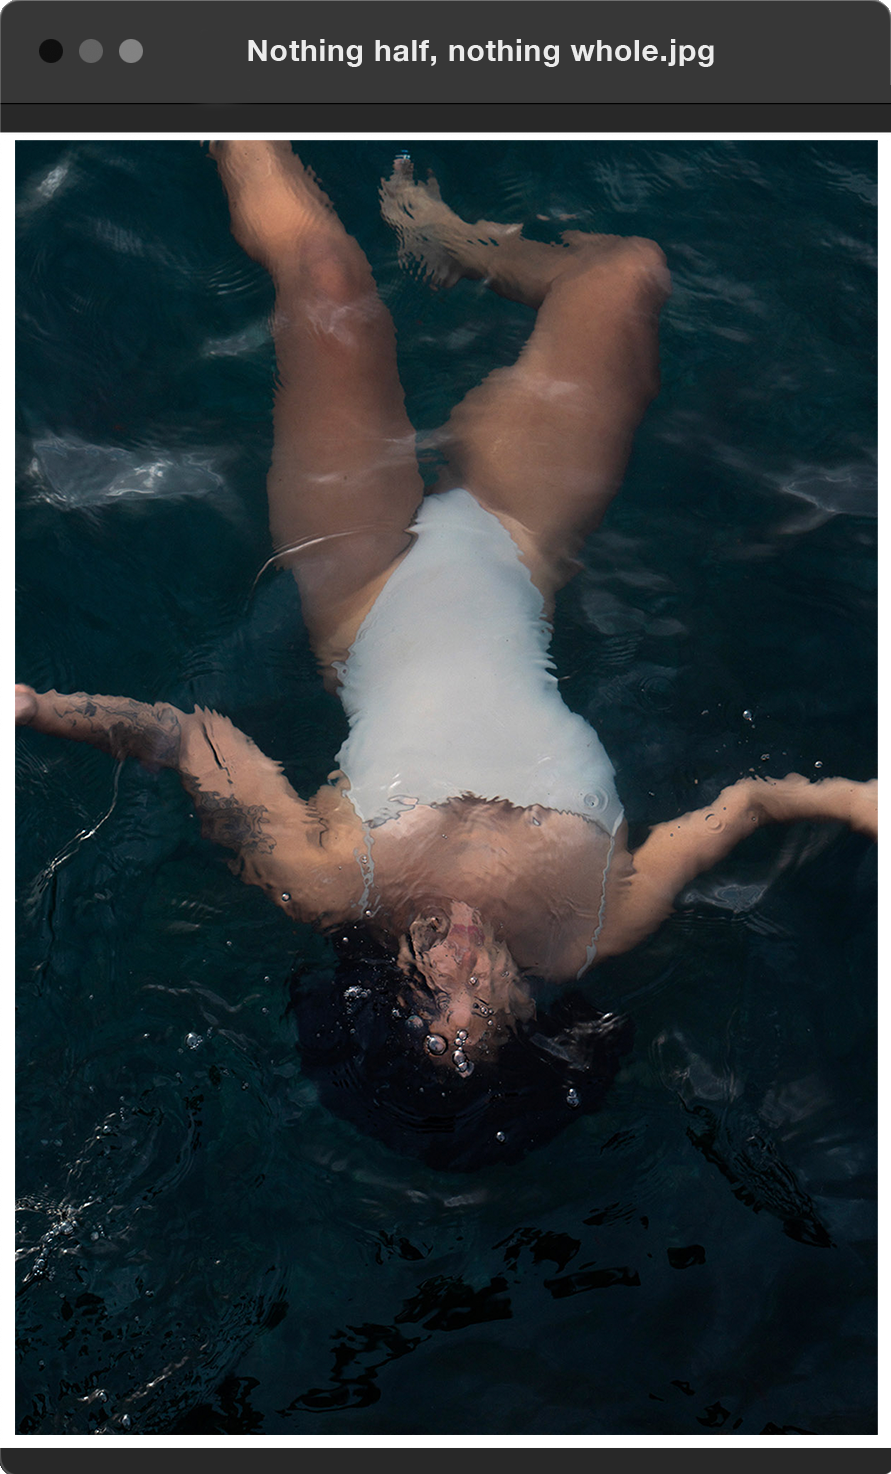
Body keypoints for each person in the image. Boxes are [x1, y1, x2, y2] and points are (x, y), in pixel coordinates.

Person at [16, 141, 877, 1090]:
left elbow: (189, 740)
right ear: (534, 1023)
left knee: (330, 280)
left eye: (434, 999)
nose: (466, 970)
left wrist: (34, 709)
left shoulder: (331, 883)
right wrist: (848, 802)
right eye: (490, 1004)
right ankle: (455, 243)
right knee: (626, 274)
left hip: (360, 581)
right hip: (514, 549)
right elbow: (750, 804)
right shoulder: (598, 922)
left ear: (384, 997)